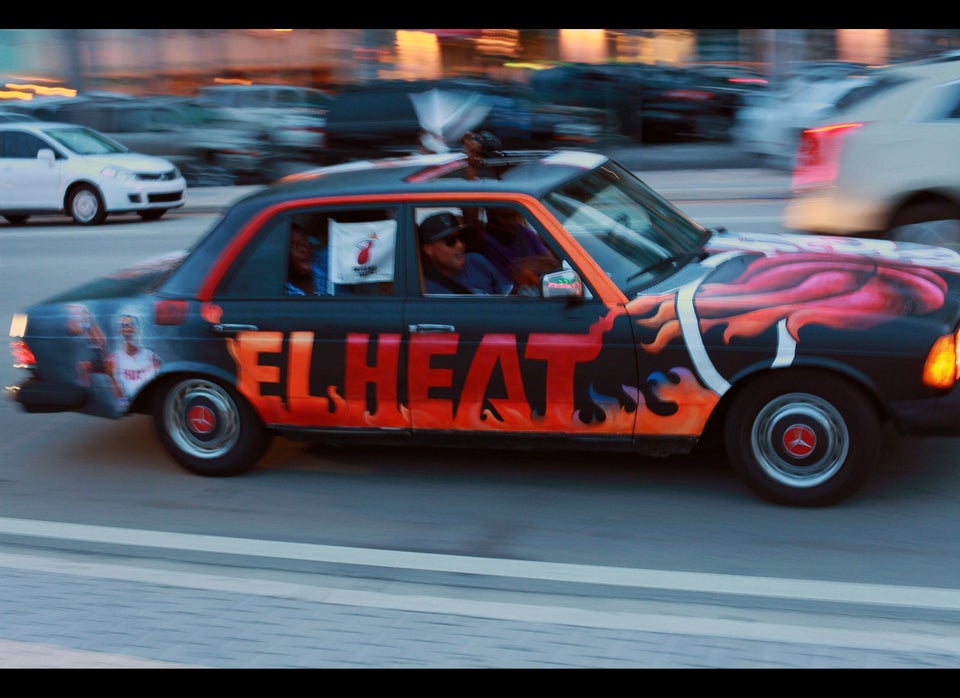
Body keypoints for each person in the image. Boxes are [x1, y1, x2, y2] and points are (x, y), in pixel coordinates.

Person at [419, 212, 511, 295]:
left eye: (462, 237)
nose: (460, 245)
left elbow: (508, 295)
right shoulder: (426, 291)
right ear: (429, 249)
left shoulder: (477, 262)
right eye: (450, 240)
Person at [478, 207, 558, 293]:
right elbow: (505, 289)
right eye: (507, 217)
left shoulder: (524, 233)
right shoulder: (484, 244)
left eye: (516, 216)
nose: (514, 221)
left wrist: (537, 264)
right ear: (490, 216)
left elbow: (554, 265)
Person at [109, 314, 161, 411]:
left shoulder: (151, 357)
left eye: (131, 325)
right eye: (123, 326)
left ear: (137, 329)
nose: (128, 329)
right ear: (119, 331)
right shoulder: (114, 359)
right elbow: (116, 387)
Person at [285, 220, 329, 296]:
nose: (304, 249)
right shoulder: (281, 291)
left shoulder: (323, 262)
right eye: (292, 246)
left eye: (305, 243)